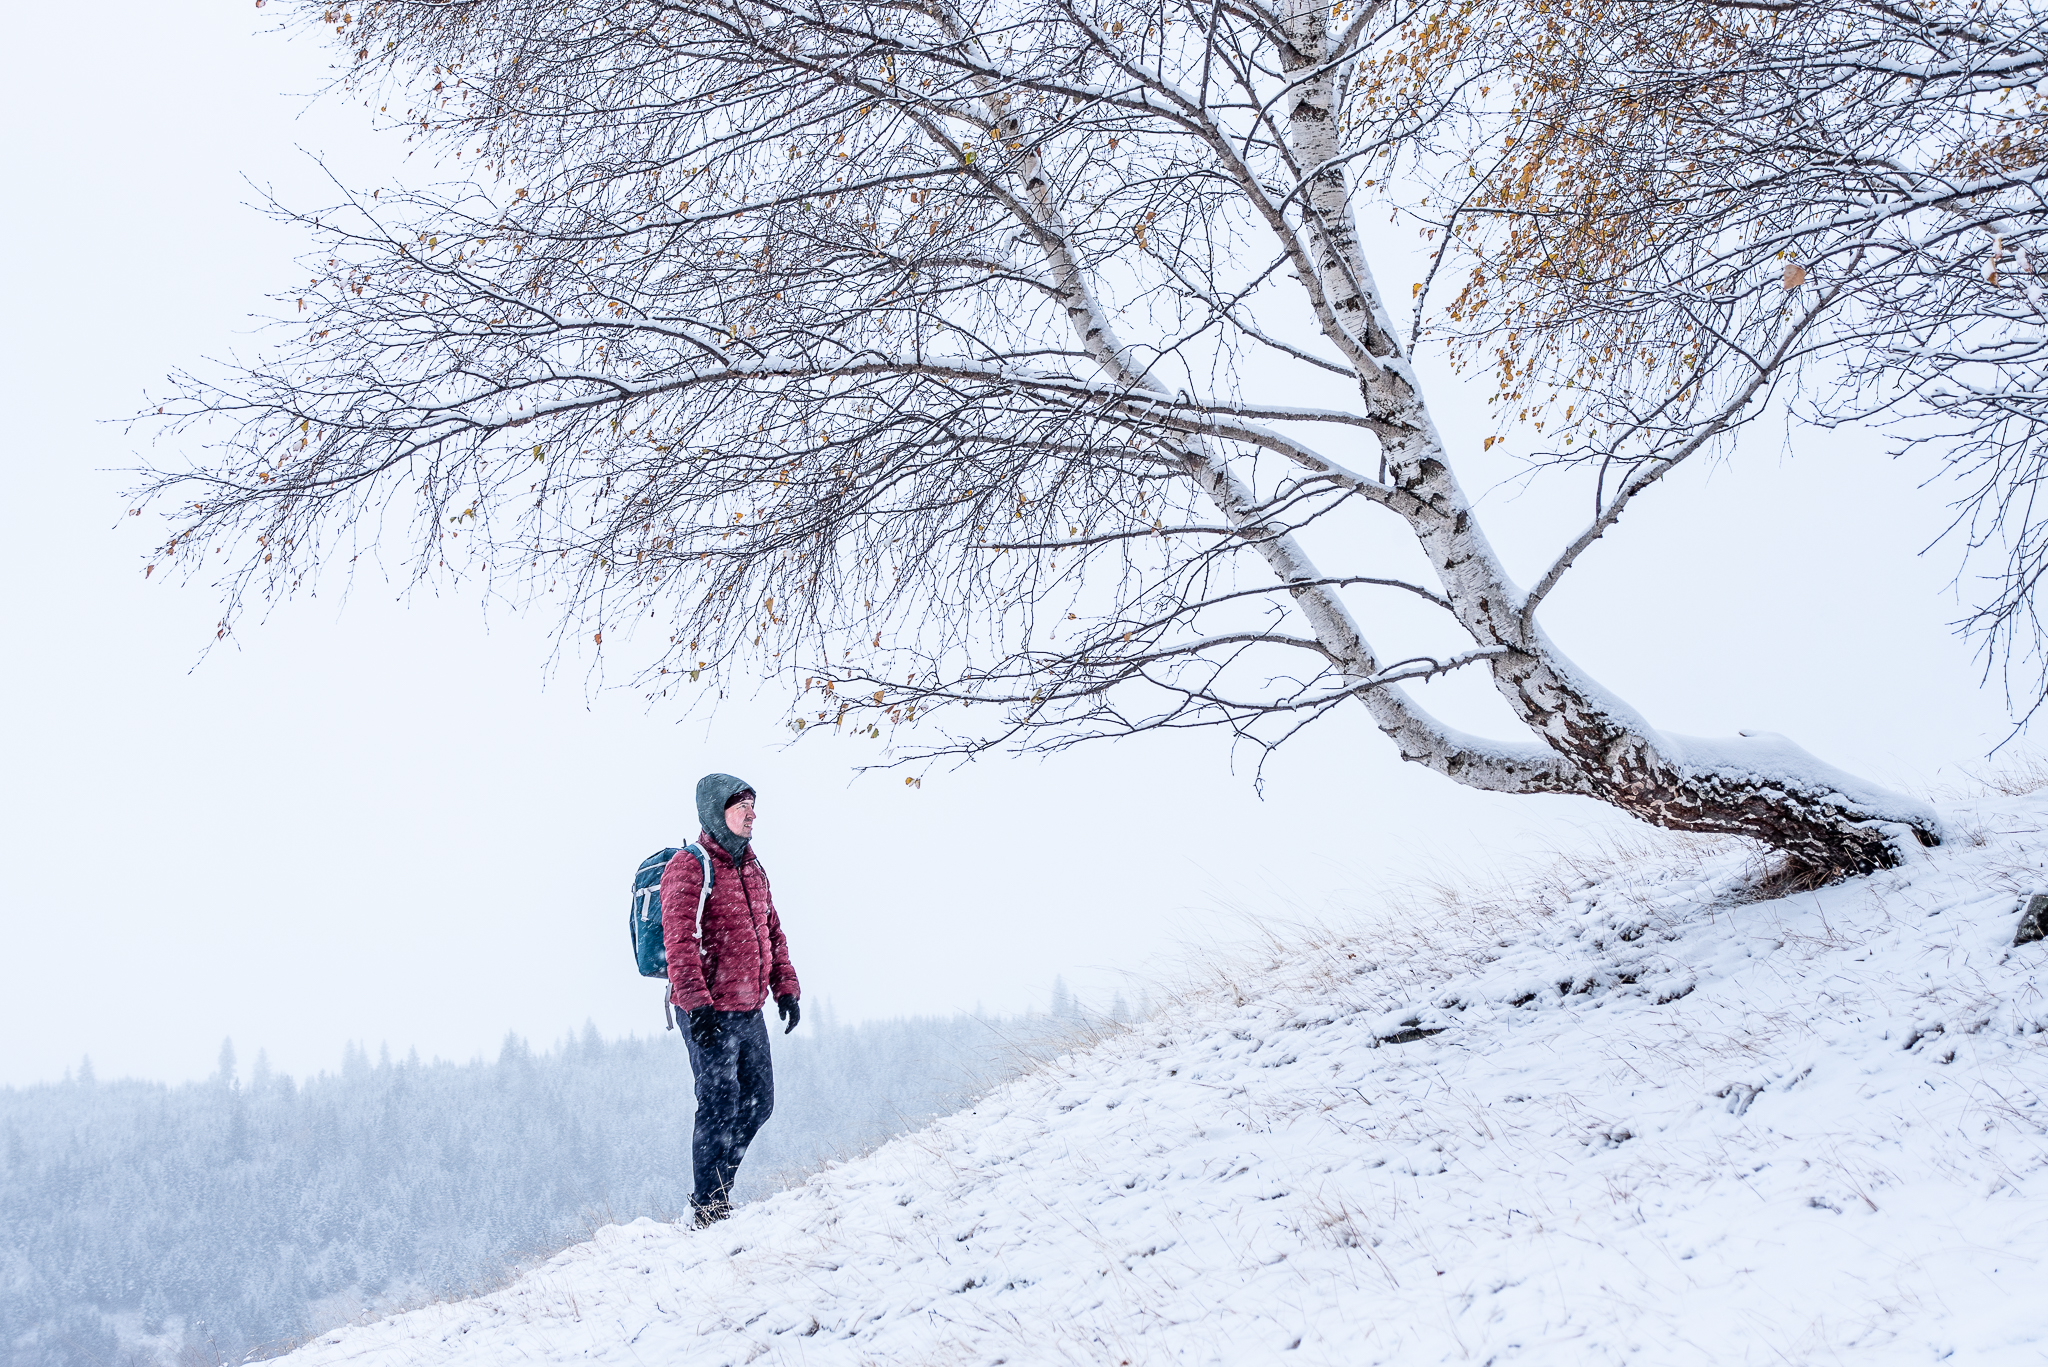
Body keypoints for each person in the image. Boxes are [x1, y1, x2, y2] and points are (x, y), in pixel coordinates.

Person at [660, 772, 802, 1227]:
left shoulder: (752, 866)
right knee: (718, 1105)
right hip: (708, 1011)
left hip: (749, 1007)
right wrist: (696, 1003)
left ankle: (719, 1189)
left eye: (753, 806)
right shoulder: (689, 865)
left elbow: (771, 930)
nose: (752, 814)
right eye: (741, 806)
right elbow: (679, 940)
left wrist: (786, 988)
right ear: (716, 811)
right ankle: (707, 1206)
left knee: (760, 1101)